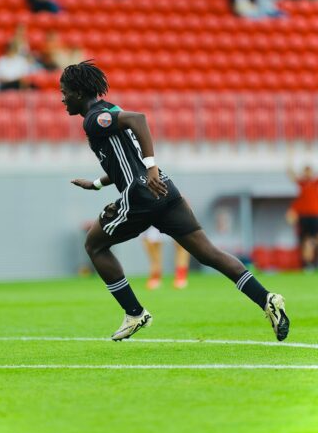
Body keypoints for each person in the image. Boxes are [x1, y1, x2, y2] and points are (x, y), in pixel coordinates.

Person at [61, 60, 290, 342]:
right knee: (208, 253)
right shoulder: (110, 109)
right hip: (164, 190)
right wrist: (96, 184)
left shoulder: (94, 118)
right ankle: (267, 299)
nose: (62, 99)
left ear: (79, 93)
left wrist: (151, 167)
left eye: (65, 92)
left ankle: (134, 312)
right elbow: (124, 161)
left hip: (141, 194)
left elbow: (139, 119)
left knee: (94, 245)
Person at [286, 164, 318, 271]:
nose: (308, 173)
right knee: (305, 241)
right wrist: (289, 161)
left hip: (314, 216)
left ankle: (312, 260)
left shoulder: (315, 183)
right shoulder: (302, 184)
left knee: (313, 240)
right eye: (306, 171)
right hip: (304, 216)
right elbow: (291, 174)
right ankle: (307, 263)